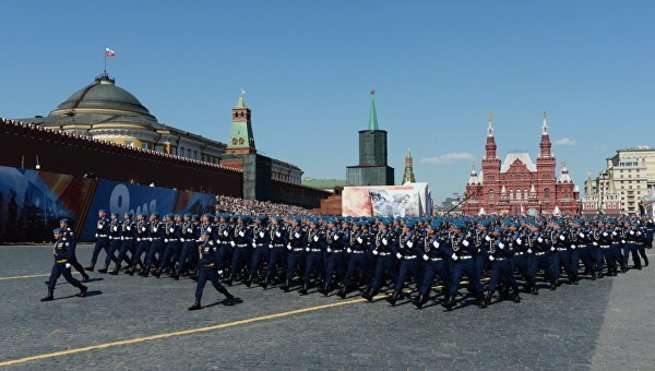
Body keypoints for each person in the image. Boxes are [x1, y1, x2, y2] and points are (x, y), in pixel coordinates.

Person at [188, 233, 238, 310]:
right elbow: (201, 258)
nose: (201, 237)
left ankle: (228, 295)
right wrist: (196, 269)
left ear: (207, 237)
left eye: (203, 236)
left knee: (217, 285)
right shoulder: (201, 245)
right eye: (201, 236)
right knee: (199, 286)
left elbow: (217, 256)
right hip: (203, 269)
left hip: (211, 269)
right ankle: (197, 303)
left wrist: (219, 269)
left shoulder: (211, 244)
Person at [41, 228, 88, 301]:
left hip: (64, 264)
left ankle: (83, 288)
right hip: (57, 264)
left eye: (56, 234)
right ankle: (50, 295)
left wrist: (68, 263)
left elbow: (69, 254)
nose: (55, 235)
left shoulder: (66, 241)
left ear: (61, 234)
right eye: (54, 234)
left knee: (70, 279)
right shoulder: (58, 241)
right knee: (52, 278)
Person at [59, 218, 89, 282]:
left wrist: (71, 251)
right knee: (60, 264)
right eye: (60, 223)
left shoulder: (70, 231)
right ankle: (55, 279)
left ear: (66, 224)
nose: (60, 224)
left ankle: (84, 275)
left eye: (62, 223)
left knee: (75, 265)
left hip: (69, 252)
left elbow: (74, 241)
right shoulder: (61, 231)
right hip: (64, 252)